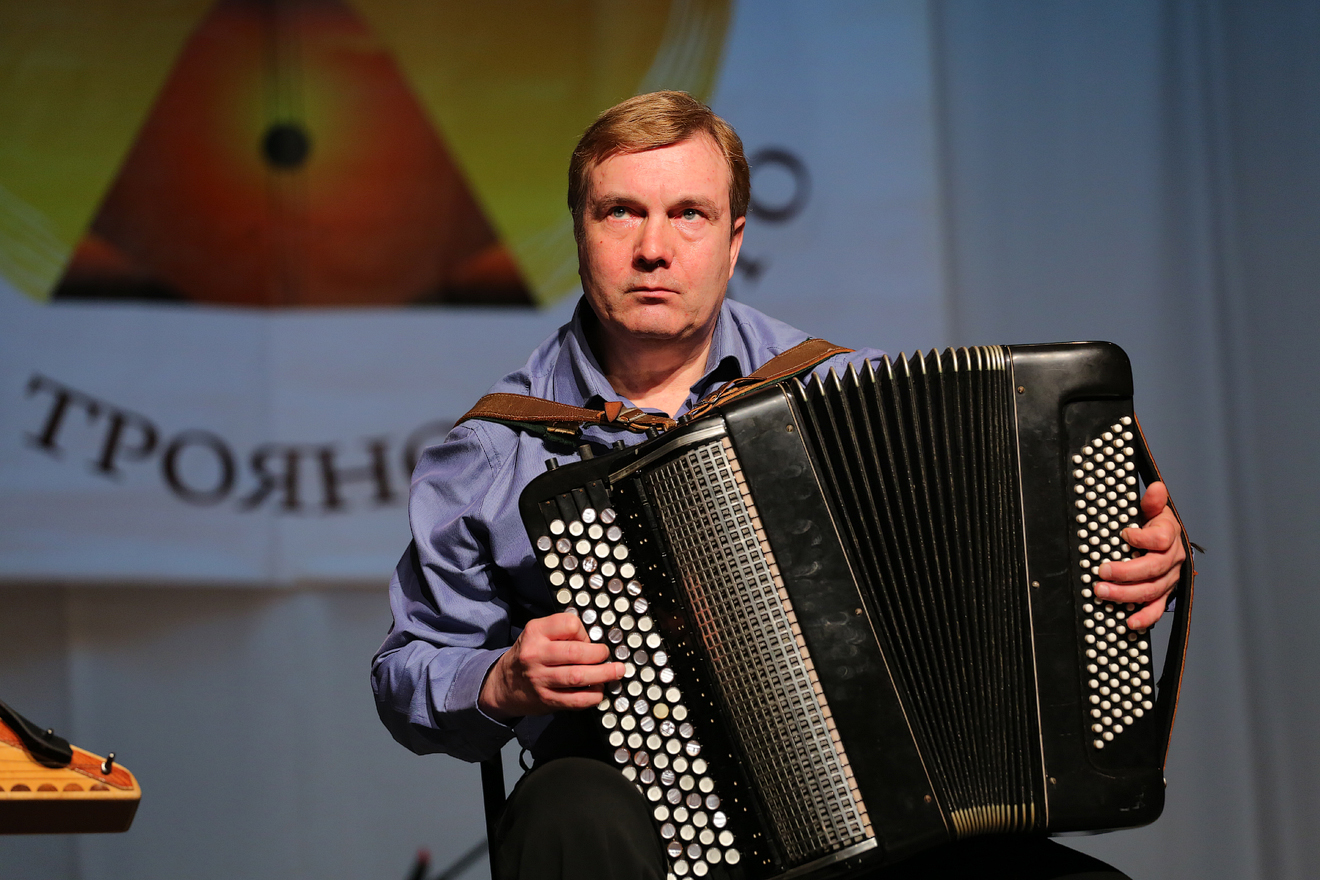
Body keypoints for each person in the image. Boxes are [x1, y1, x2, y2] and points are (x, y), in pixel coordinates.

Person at [372, 91, 1187, 880]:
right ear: (579, 231)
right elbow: (408, 669)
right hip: (646, 826)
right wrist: (500, 680)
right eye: (621, 212)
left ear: (733, 240)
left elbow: (1020, 544)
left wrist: (1137, 550)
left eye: (689, 214)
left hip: (887, 810)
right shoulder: (496, 450)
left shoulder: (847, 395)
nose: (654, 248)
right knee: (566, 811)